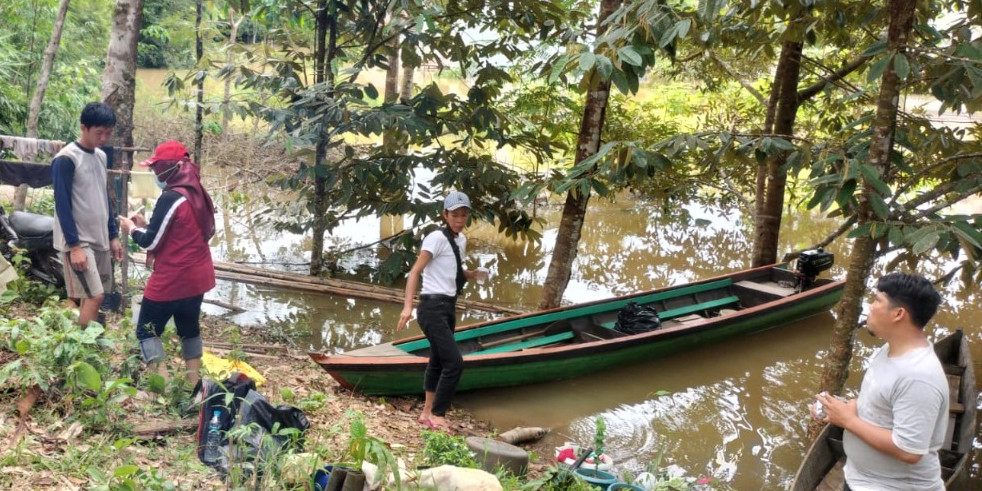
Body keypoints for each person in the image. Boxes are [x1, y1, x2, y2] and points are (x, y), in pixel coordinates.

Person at [814, 273, 948, 491]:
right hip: (861, 479)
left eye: (876, 300)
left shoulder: (919, 376)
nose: (870, 306)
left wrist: (848, 421)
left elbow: (909, 451)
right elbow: (878, 403)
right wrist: (839, 408)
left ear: (898, 313)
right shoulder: (889, 350)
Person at [118, 140, 216, 387]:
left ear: (167, 169)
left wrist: (132, 229)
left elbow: (151, 243)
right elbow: (181, 231)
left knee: (146, 331)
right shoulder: (196, 192)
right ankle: (194, 385)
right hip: (197, 277)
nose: (153, 174)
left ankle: (162, 386)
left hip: (173, 278)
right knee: (189, 328)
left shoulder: (171, 197)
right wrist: (145, 225)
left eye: (154, 169)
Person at [396, 191, 488, 433]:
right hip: (431, 307)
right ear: (445, 214)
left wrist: (472, 274)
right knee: (454, 363)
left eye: (464, 215)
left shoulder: (460, 240)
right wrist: (408, 307)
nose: (459, 219)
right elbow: (415, 272)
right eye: (454, 214)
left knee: (437, 360)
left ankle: (427, 413)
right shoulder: (435, 238)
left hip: (448, 306)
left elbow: (453, 269)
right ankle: (438, 414)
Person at [52, 102, 124, 326]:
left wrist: (113, 236)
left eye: (108, 133)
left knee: (94, 294)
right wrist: (74, 246)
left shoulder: (101, 156)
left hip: (99, 237)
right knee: (95, 296)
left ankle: (84, 343)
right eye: (99, 133)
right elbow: (61, 204)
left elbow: (104, 197)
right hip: (78, 240)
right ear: (84, 128)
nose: (103, 138)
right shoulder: (66, 159)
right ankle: (83, 349)